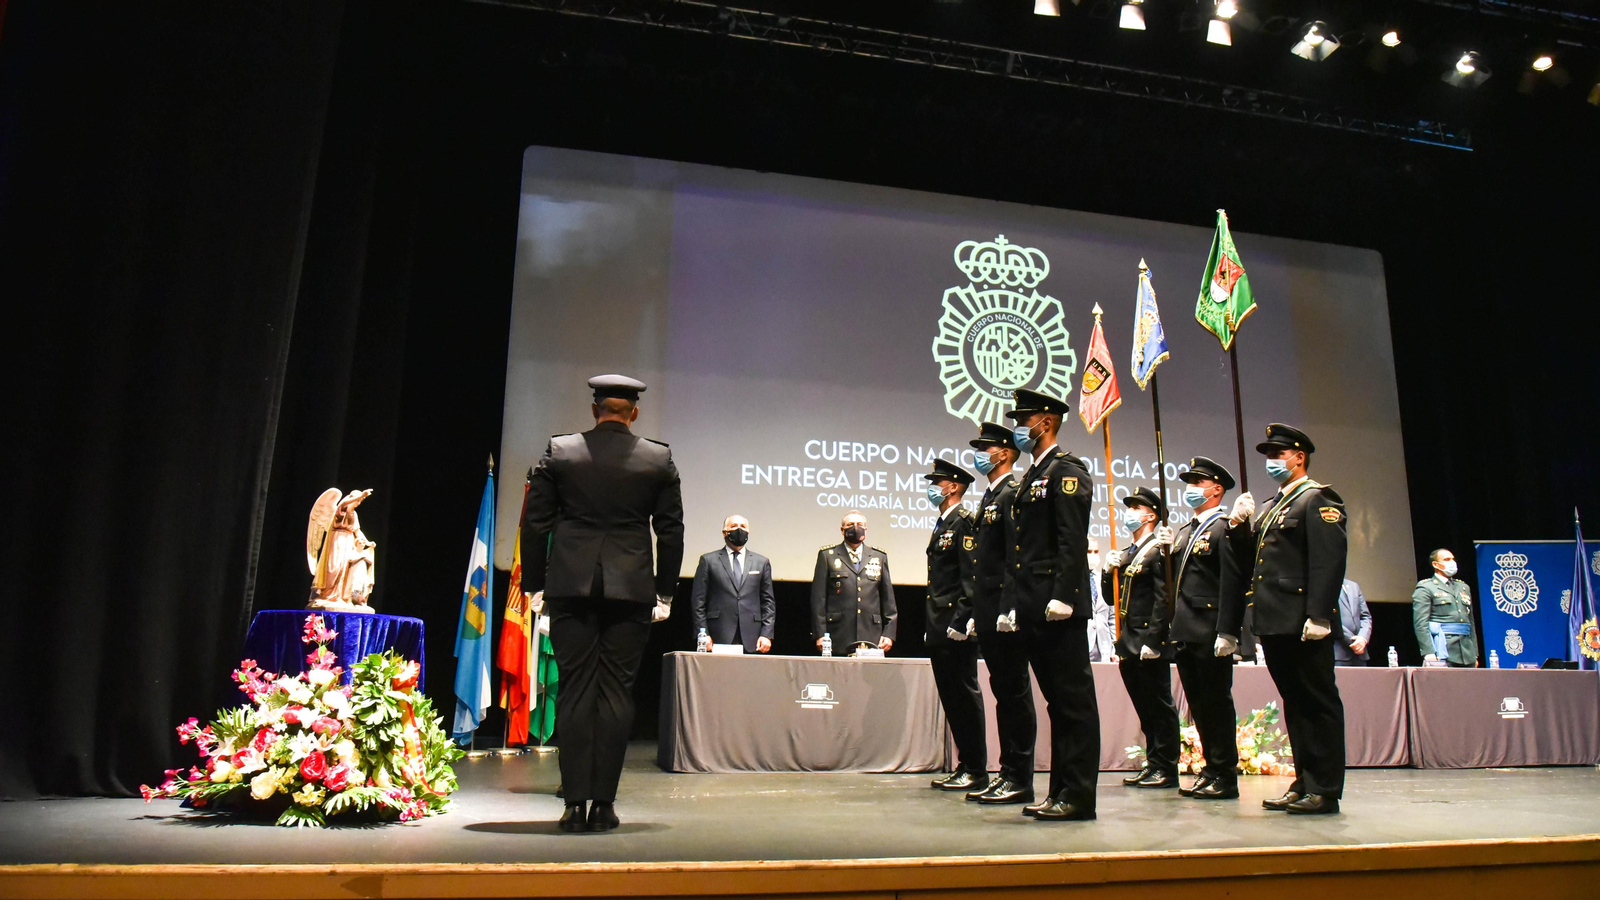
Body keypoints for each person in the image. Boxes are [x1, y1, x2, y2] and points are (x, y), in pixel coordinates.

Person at [521, 374, 684, 833]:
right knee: (615, 693)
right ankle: (605, 805)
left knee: (574, 690)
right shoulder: (658, 457)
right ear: (634, 413)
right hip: (632, 591)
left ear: (595, 410)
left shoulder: (562, 451)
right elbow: (671, 531)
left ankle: (573, 805)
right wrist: (665, 591)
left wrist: (535, 586)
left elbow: (535, 526)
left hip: (570, 587)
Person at [1229, 423, 1347, 815]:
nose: (1272, 462)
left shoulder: (1317, 499)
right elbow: (1257, 564)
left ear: (1300, 458)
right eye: (1268, 456)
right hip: (1275, 620)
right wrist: (1238, 527)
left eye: (1279, 455)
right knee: (1295, 704)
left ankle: (1325, 788)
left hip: (1302, 621)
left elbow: (1329, 561)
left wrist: (1319, 614)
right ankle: (1304, 781)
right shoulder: (1271, 506)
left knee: (1318, 703)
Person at [1003, 388, 1099, 821]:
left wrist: (1065, 594)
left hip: (1058, 605)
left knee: (1073, 703)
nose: (1019, 429)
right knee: (1056, 704)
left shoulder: (1066, 471)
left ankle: (1078, 796)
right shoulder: (1032, 476)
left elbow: (1071, 539)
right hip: (1034, 606)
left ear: (1046, 422)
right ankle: (1060, 790)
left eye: (1024, 421)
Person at [963, 422, 1038, 805]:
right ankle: (1007, 771)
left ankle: (1019, 776)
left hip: (1006, 610)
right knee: (1002, 692)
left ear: (1005, 453)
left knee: (1014, 693)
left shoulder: (1012, 492)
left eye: (986, 447)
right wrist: (980, 607)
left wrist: (1008, 605)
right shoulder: (991, 495)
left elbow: (1015, 556)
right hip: (989, 608)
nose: (980, 454)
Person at [1167, 457, 1245, 800]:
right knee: (1198, 705)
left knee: (1216, 704)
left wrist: (1228, 631)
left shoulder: (1224, 528)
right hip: (1186, 629)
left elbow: (1232, 581)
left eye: (1198, 483)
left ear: (1216, 490)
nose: (1191, 489)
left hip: (1210, 628)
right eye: (1190, 482)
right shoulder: (1186, 531)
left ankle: (1225, 774)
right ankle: (1211, 768)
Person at [1105, 487, 1179, 791]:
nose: (1130, 513)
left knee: (1160, 706)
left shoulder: (1158, 550)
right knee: (1145, 708)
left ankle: (1167, 766)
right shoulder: (1129, 552)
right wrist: (1107, 570)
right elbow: (1113, 600)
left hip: (1148, 640)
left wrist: (1155, 639)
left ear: (1151, 515)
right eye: (1129, 507)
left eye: (1136, 508)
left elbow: (1164, 597)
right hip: (1128, 642)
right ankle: (1153, 763)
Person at [922, 459, 987, 792]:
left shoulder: (963, 522)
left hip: (956, 627)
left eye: (938, 482)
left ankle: (976, 768)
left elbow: (970, 578)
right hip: (940, 625)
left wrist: (962, 620)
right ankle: (965, 764)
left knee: (964, 695)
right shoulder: (943, 523)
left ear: (953, 487)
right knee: (951, 698)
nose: (932, 488)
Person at [810, 512, 896, 654]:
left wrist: (889, 633)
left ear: (866, 530)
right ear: (842, 530)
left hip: (871, 633)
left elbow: (888, 599)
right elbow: (818, 599)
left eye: (860, 525)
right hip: (837, 633)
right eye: (850, 525)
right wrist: (820, 634)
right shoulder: (827, 556)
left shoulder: (878, 556)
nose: (855, 528)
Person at [689, 515, 775, 654]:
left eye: (743, 527)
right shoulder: (708, 560)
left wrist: (766, 634)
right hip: (718, 633)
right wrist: (702, 634)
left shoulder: (762, 562)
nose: (739, 529)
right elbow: (698, 601)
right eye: (734, 526)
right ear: (725, 532)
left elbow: (768, 602)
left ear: (748, 531)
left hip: (752, 636)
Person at [1412, 549, 1478, 667]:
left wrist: (1475, 653)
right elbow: (1421, 623)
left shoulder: (1463, 587)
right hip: (1443, 649)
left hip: (1467, 650)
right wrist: (1429, 652)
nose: (1452, 562)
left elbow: (1470, 622)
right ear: (1435, 564)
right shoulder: (1426, 587)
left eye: (1452, 559)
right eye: (1447, 560)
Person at [1085, 539, 1117, 663]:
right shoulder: (1075, 581)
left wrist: (1114, 647)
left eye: (1096, 551)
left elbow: (1112, 617)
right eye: (1089, 551)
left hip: (1104, 645)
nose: (1093, 555)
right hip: (1084, 644)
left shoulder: (1103, 580)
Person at [1335, 578, 1373, 666]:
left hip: (1360, 654)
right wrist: (1353, 641)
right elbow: (1330, 618)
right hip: (1338, 653)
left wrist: (1362, 638)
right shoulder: (1325, 585)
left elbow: (1365, 616)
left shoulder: (1353, 586)